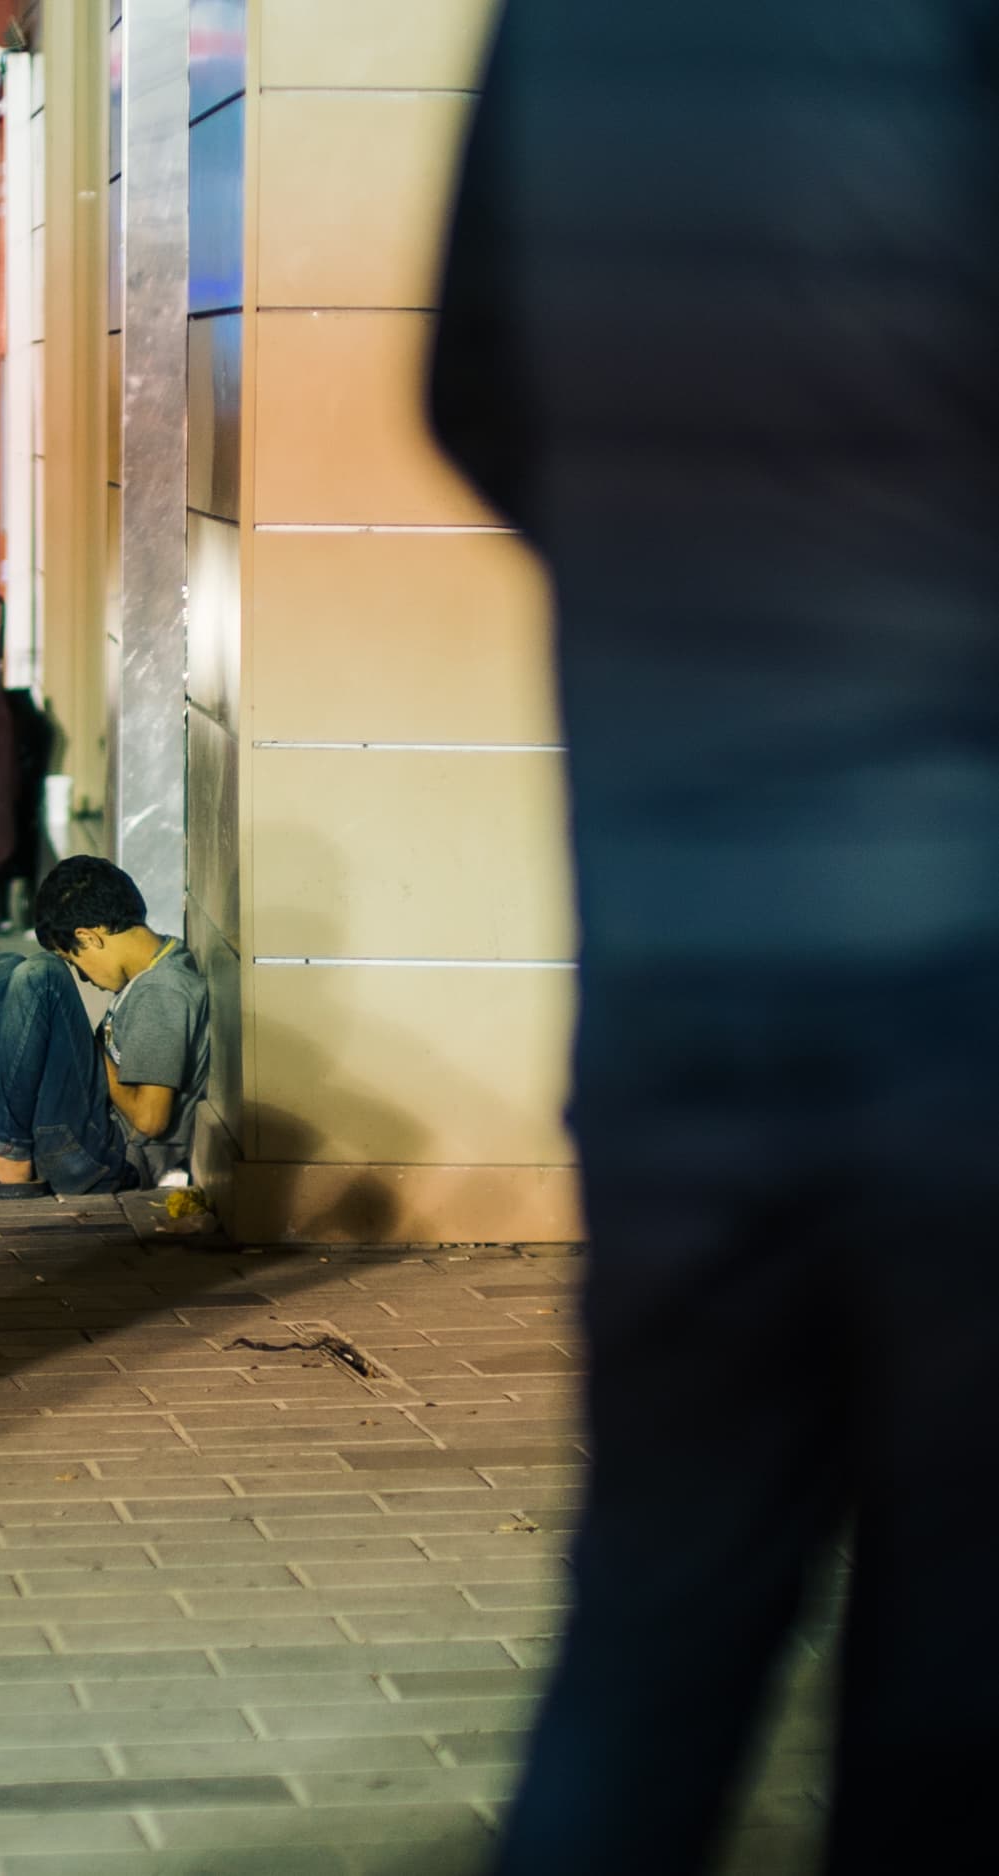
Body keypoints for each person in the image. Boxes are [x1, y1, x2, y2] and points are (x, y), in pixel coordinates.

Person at [426, 4, 999, 1869]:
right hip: (953, 969)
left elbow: (466, 390)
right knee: (945, 1686)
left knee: (652, 1629)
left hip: (670, 958)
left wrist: (673, 591)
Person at [0, 856, 210, 1200]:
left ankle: (3, 1155)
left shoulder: (161, 992)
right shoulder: (151, 970)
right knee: (0, 971)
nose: (82, 975)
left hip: (108, 1161)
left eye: (74, 959)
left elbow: (151, 1119)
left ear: (90, 937)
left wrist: (91, 1051)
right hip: (89, 1135)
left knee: (43, 976)